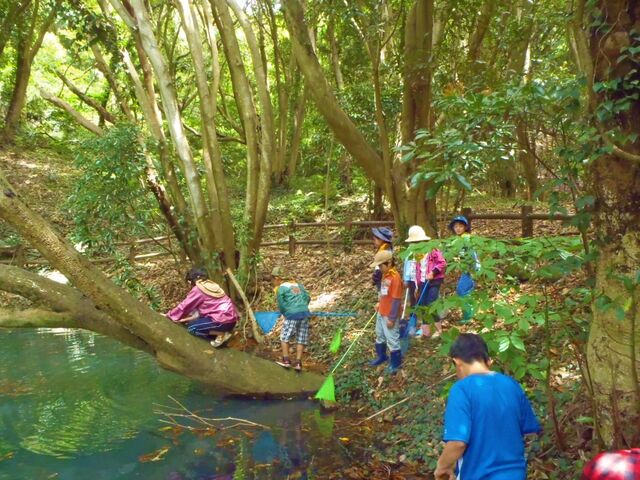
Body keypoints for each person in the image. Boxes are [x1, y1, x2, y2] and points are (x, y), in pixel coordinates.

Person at [435, 333, 541, 480]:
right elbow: (528, 431)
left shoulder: (462, 389)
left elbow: (457, 442)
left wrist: (442, 466)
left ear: (457, 361)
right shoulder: (511, 385)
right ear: (487, 360)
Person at [166, 267, 238, 347]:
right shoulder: (211, 285)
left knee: (192, 328)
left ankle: (221, 334)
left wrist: (170, 315)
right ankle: (222, 336)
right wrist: (183, 319)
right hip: (231, 320)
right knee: (196, 324)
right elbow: (198, 313)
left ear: (191, 280)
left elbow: (184, 306)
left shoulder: (198, 289)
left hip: (221, 321)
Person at [368, 249, 404, 374]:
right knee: (379, 334)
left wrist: (392, 318)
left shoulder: (395, 278)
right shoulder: (385, 274)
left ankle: (396, 364)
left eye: (380, 265)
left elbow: (396, 300)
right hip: (381, 311)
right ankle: (382, 356)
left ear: (389, 263)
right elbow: (384, 293)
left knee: (392, 339)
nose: (379, 268)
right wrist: (379, 303)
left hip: (389, 314)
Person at [272, 266, 311, 372]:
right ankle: (298, 363)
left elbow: (281, 304)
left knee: (284, 337)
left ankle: (286, 361)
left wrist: (285, 313)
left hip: (292, 314)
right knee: (301, 338)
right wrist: (302, 307)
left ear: (277, 278)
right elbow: (308, 298)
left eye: (274, 279)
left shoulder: (281, 288)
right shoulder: (298, 285)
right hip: (304, 313)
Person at [409, 227, 446, 338]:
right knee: (423, 304)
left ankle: (439, 330)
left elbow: (442, 263)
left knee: (431, 303)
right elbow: (417, 270)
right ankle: (426, 331)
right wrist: (416, 285)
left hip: (434, 281)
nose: (415, 245)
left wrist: (433, 272)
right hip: (422, 281)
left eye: (417, 242)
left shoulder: (433, 250)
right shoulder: (416, 254)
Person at [449, 215, 480, 321]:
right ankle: (468, 315)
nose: (458, 228)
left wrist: (475, 269)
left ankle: (468, 317)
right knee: (464, 291)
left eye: (460, 226)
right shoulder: (457, 240)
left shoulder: (467, 238)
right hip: (465, 269)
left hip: (471, 269)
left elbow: (473, 255)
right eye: (456, 226)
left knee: (462, 290)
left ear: (465, 227)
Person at [371, 227, 393, 291]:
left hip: (383, 278)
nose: (374, 242)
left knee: (383, 294)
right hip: (385, 277)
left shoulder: (384, 251)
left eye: (375, 240)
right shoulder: (387, 248)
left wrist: (375, 278)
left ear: (381, 240)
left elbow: (380, 268)